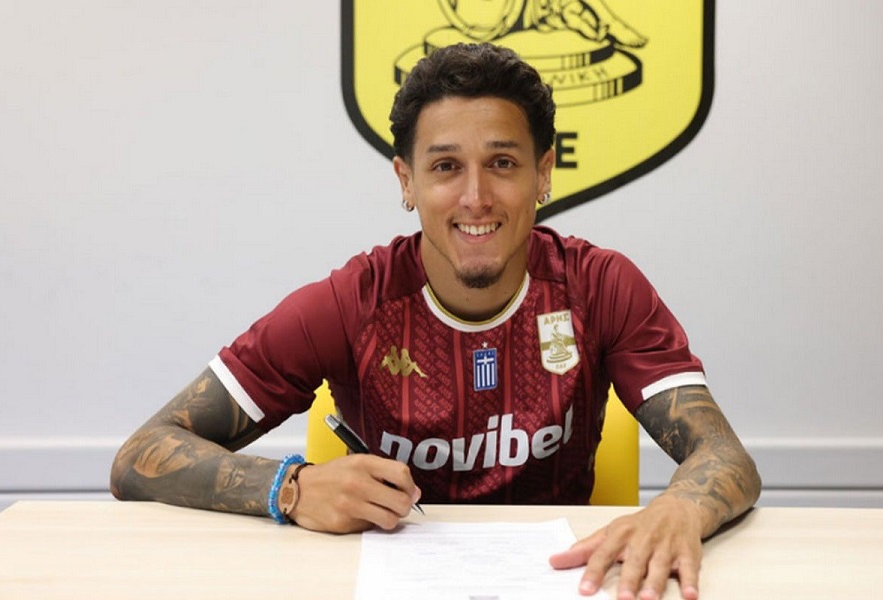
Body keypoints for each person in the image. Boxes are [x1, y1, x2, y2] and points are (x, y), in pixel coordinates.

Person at [111, 42, 760, 600]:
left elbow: (724, 454)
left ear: (543, 173)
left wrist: (682, 506)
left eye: (502, 163)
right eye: (446, 167)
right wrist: (289, 487)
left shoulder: (601, 287)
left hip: (561, 582)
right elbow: (140, 454)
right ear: (407, 181)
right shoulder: (349, 304)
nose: (475, 197)